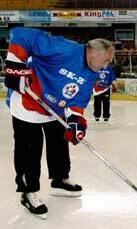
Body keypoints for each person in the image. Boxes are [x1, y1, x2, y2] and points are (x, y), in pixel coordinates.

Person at [4, 27, 114, 219]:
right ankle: (28, 192)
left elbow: (78, 101)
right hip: (29, 100)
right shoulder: (64, 48)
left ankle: (59, 180)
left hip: (54, 108)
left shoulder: (92, 72)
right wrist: (15, 66)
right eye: (106, 60)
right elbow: (21, 34)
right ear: (94, 52)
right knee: (30, 148)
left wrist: (76, 123)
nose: (107, 66)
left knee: (59, 143)